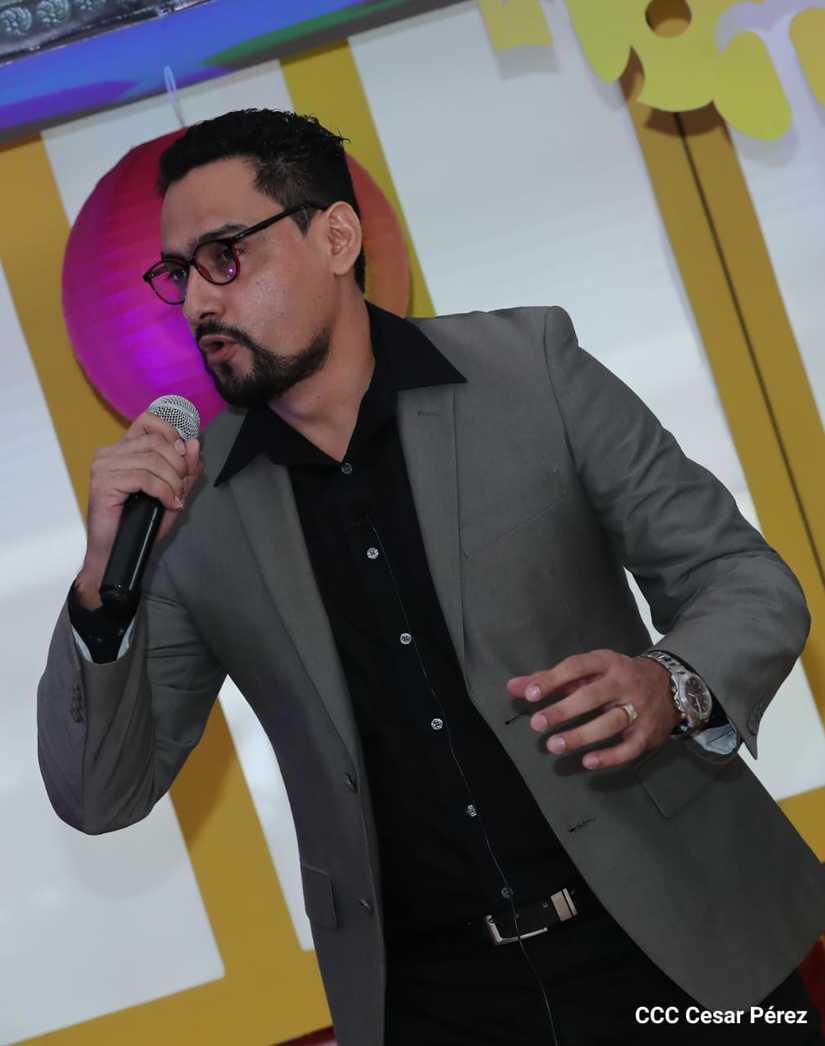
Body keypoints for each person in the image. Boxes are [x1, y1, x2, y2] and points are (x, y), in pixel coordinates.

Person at [38, 109, 825, 1046]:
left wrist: (671, 684)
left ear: (336, 236)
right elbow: (98, 794)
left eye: (226, 255)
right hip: (434, 1006)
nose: (199, 301)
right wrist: (102, 586)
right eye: (179, 273)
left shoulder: (530, 370)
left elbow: (742, 578)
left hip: (680, 942)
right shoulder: (191, 511)